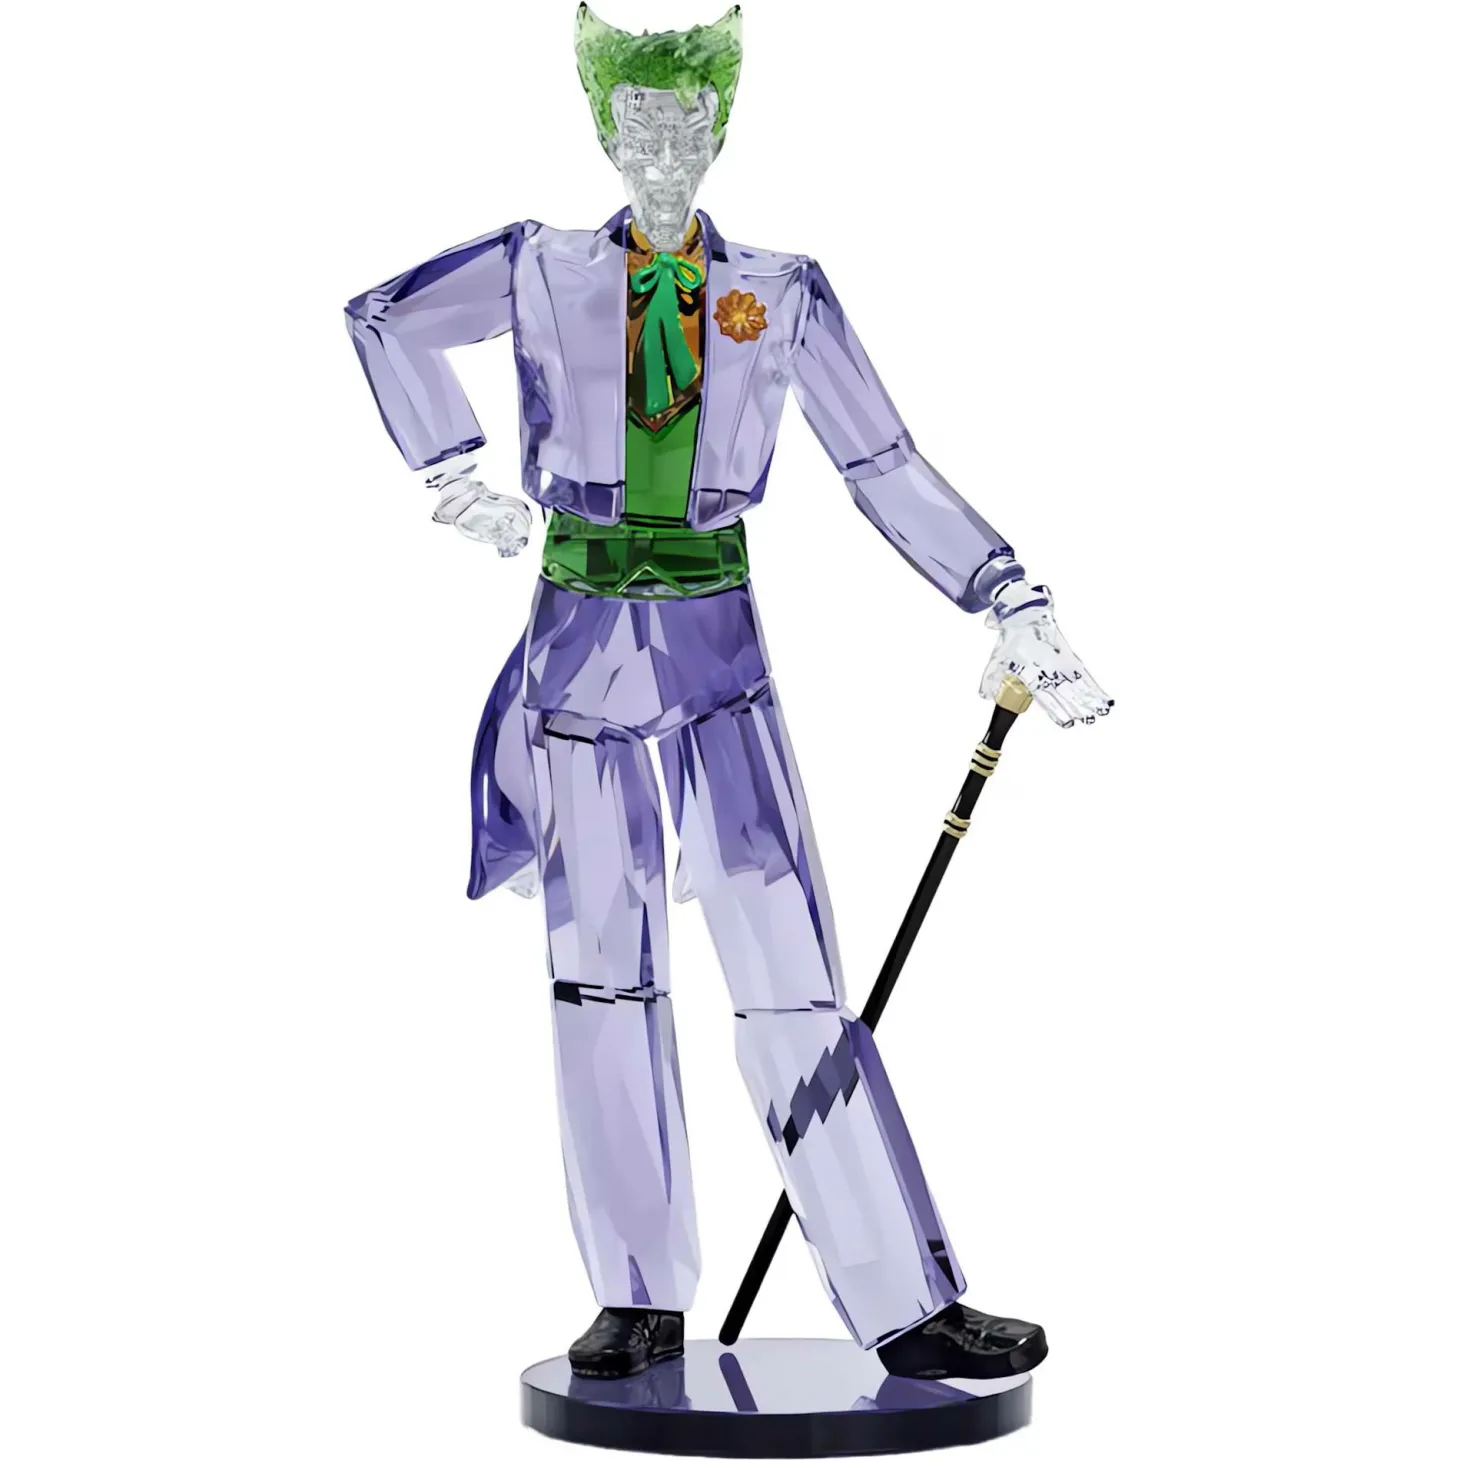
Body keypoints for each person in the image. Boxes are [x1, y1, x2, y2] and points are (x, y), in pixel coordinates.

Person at [345, 4, 1110, 1382]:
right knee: (600, 982)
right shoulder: (537, 265)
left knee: (796, 977)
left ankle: (903, 1303)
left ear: (721, 127)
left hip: (719, 654)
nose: (662, 148)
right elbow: (383, 315)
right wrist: (452, 473)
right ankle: (638, 1295)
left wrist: (1006, 588)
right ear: (601, 124)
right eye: (637, 120)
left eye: (687, 121)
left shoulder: (782, 290)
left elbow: (882, 461)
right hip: (577, 650)